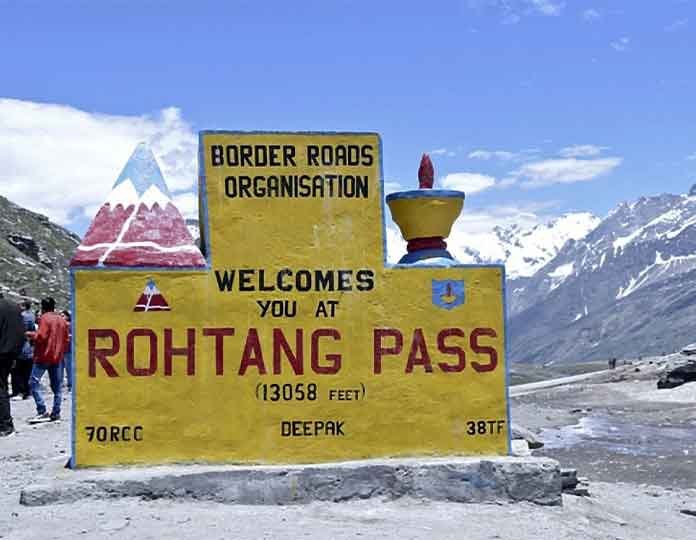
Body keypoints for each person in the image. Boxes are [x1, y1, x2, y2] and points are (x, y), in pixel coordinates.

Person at [27, 297, 69, 423]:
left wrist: (30, 334)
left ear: (43, 307)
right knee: (57, 387)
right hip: (57, 357)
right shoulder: (62, 320)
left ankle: (42, 410)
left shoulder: (44, 318)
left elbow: (41, 336)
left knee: (33, 383)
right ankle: (56, 412)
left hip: (43, 356)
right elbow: (66, 339)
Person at [0, 297, 25, 437]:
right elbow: (22, 332)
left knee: (1, 388)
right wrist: (16, 353)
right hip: (11, 353)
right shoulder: (14, 306)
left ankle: (5, 425)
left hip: (2, 352)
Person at [10, 301, 36, 400]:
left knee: (17, 370)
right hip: (29, 347)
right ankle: (28, 391)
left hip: (20, 347)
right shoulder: (32, 316)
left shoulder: (21, 316)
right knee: (27, 371)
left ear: (24, 306)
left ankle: (19, 392)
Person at [60, 310, 72, 392]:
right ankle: (60, 384)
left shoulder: (70, 325)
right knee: (60, 368)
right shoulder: (60, 325)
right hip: (61, 350)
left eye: (63, 315)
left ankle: (70, 385)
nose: (61, 317)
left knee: (69, 369)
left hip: (68, 350)